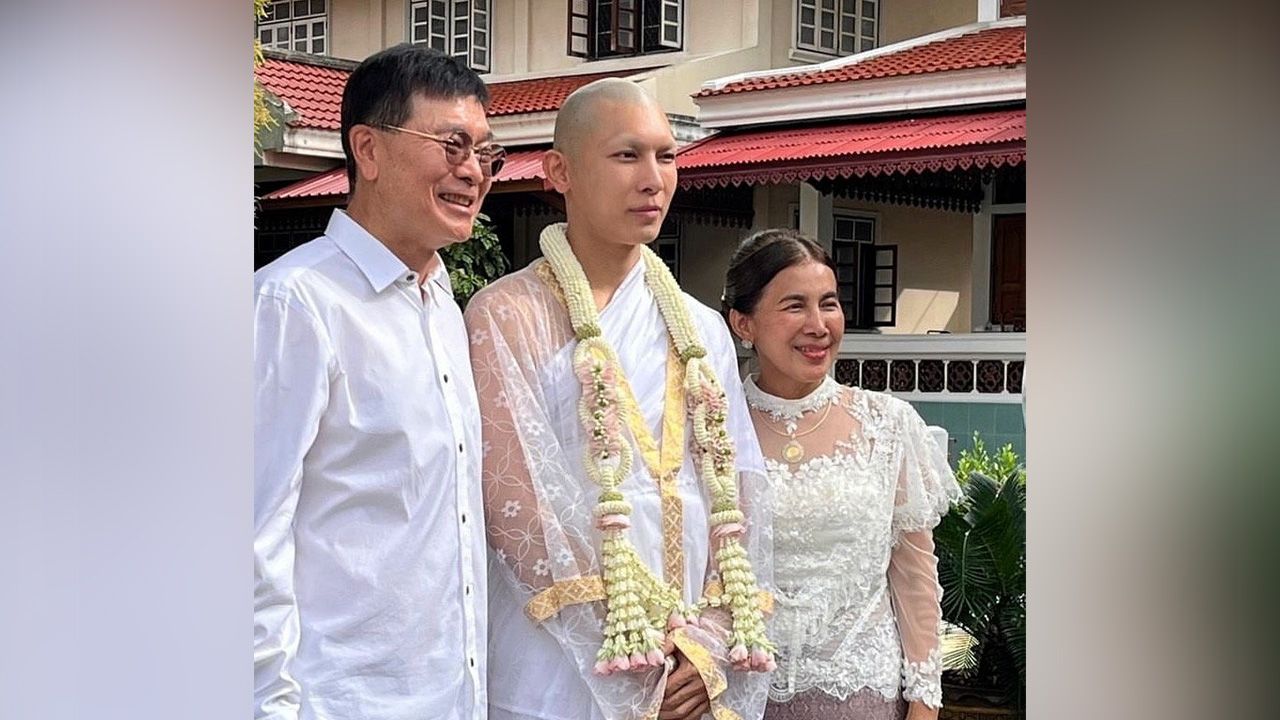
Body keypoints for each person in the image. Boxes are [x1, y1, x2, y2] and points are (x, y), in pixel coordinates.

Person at [464, 78, 775, 720]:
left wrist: (705, 643)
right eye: (627, 155)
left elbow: (740, 491)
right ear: (560, 171)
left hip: (689, 662)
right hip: (558, 659)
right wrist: (636, 655)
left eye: (666, 156)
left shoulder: (701, 327)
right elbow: (518, 506)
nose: (654, 178)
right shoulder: (507, 315)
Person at [253, 44, 505, 720]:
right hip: (339, 701)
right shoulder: (293, 305)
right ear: (367, 149)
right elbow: (249, 532)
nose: (473, 171)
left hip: (451, 696)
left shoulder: (444, 305)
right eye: (452, 145)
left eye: (485, 152)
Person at [722, 229, 961, 720]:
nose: (818, 325)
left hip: (861, 697)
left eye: (828, 303)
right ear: (744, 323)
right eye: (795, 306)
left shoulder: (888, 425)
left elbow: (916, 581)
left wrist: (923, 704)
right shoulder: (710, 426)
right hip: (735, 697)